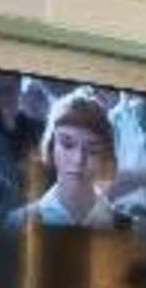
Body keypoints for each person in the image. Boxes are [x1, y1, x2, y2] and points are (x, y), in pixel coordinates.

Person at [11, 91, 135, 230]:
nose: (78, 160)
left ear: (104, 157)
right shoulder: (17, 222)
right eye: (67, 145)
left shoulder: (127, 227)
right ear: (51, 147)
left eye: (92, 150)